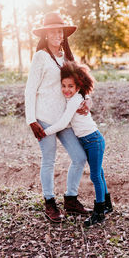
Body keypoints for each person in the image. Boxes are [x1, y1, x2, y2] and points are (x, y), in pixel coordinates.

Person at [24, 12, 92, 223]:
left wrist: (85, 101)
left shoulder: (66, 57)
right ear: (45, 34)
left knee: (79, 157)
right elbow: (30, 90)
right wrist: (31, 120)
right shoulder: (40, 57)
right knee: (49, 160)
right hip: (44, 117)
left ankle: (71, 200)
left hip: (64, 119)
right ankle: (50, 202)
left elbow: (80, 83)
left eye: (60, 31)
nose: (57, 34)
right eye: (52, 31)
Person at [42, 61, 113, 227]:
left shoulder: (75, 100)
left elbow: (63, 123)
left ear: (78, 86)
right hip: (88, 141)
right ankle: (107, 205)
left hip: (93, 140)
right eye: (64, 85)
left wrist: (44, 132)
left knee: (96, 176)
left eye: (70, 86)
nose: (66, 90)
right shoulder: (74, 97)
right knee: (99, 174)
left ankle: (99, 212)